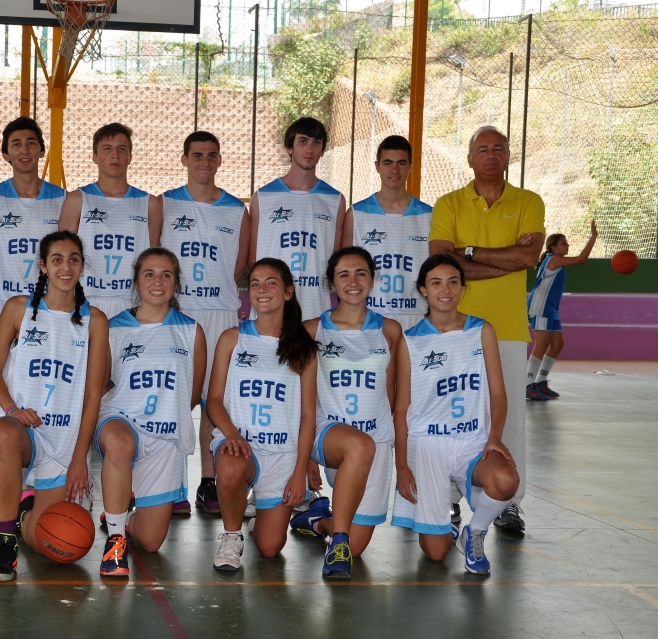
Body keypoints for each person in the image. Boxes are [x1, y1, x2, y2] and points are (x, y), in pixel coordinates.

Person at [429, 125, 544, 534]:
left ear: (509, 156)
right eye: (482, 149)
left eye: (499, 148)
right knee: (451, 412)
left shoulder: (528, 201)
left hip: (509, 328)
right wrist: (506, 259)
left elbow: (529, 257)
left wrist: (470, 254)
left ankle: (508, 504)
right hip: (454, 327)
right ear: (470, 159)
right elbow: (444, 264)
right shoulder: (448, 204)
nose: (491, 155)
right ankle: (448, 499)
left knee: (508, 418)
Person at [0, 231, 108, 582]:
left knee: (53, 542)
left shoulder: (95, 321)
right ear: (43, 266)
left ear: (82, 266)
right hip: (20, 426)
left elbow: (93, 395)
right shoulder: (18, 308)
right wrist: (11, 409)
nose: (66, 267)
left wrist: (81, 458)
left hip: (64, 439)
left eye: (73, 260)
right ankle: (5, 545)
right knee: (4, 435)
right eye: (57, 260)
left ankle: (24, 510)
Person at [391, 254, 520, 575]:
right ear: (424, 290)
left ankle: (474, 532)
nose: (445, 290)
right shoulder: (410, 340)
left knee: (506, 480)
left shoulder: (482, 330)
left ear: (462, 287)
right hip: (426, 446)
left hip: (471, 441)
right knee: (435, 554)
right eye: (436, 283)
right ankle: (441, 529)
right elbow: (402, 407)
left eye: (452, 282)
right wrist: (402, 465)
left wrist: (494, 437)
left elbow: (498, 393)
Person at [94, 248, 207, 576]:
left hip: (164, 438)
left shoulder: (191, 331)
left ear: (176, 283)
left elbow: (191, 394)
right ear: (136, 281)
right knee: (119, 444)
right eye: (149, 274)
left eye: (166, 275)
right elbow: (100, 385)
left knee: (151, 541)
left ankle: (120, 514)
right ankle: (116, 539)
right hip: (121, 420)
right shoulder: (113, 328)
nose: (158, 282)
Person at [156, 131, 250, 515]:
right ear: (184, 159)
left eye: (212, 155)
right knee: (172, 396)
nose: (204, 162)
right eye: (197, 155)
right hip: (178, 311)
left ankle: (208, 483)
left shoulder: (237, 210)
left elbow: (241, 269)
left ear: (220, 160)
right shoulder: (165, 203)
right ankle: (170, 485)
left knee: (215, 400)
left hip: (220, 312)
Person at [207, 258, 317, 571]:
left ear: (288, 291)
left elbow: (308, 416)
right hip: (241, 444)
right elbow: (214, 400)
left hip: (282, 453)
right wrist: (231, 433)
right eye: (255, 284)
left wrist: (300, 472)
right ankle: (232, 535)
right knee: (230, 468)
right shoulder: (232, 338)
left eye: (271, 282)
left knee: (270, 548)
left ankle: (261, 521)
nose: (261, 289)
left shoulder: (303, 347)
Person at [291, 247, 395, 578]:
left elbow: (393, 394)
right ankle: (337, 541)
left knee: (358, 546)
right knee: (359, 445)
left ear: (373, 280)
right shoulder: (311, 330)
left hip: (376, 437)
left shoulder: (390, 330)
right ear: (332, 284)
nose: (353, 281)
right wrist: (306, 456)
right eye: (344, 275)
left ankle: (318, 521)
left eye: (361, 273)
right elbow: (299, 397)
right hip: (328, 433)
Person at [0, 117, 66, 361]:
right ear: (5, 154)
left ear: (42, 150)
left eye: (31, 143)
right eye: (16, 144)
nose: (24, 149)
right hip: (3, 300)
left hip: (47, 302)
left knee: (43, 370)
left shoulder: (62, 198)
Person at [249, 117, 346, 319]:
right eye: (303, 141)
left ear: (323, 150)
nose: (309, 149)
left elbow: (335, 259)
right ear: (289, 147)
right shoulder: (263, 197)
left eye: (316, 142)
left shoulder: (335, 200)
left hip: (316, 307)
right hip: (272, 308)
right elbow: (253, 260)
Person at [59, 123, 157, 319]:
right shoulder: (78, 199)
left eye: (121, 149)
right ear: (95, 157)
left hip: (133, 301)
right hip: (86, 298)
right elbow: (63, 255)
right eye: (107, 149)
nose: (115, 155)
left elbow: (154, 258)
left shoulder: (149, 203)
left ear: (130, 157)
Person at [342, 135, 432, 331]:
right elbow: (344, 270)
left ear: (410, 166)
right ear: (377, 166)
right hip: (368, 315)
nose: (395, 170)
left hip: (415, 314)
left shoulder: (428, 215)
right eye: (388, 163)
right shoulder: (356, 214)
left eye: (401, 163)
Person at [526, 221, 598, 401]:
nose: (567, 245)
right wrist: (593, 237)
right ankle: (527, 385)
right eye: (563, 243)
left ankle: (540, 382)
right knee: (541, 345)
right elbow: (581, 260)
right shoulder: (553, 259)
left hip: (550, 307)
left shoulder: (556, 261)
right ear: (553, 247)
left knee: (557, 344)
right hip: (540, 305)